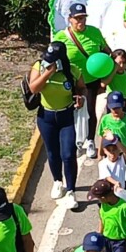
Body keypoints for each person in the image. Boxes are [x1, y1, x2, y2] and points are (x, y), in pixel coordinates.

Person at [28, 42, 84, 203]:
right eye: (48, 58)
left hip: (66, 117)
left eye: (53, 60)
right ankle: (57, 181)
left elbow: (82, 87)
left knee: (68, 154)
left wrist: (80, 97)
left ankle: (71, 190)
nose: (49, 62)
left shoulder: (72, 70)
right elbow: (33, 88)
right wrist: (47, 73)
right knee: (52, 152)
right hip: (46, 117)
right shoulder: (39, 67)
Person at [54, 2, 112, 159]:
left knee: (90, 110)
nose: (80, 21)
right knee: (71, 112)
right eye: (77, 18)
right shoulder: (61, 37)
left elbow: (107, 52)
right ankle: (74, 142)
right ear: (70, 19)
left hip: (91, 80)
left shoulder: (95, 32)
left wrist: (106, 74)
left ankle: (90, 140)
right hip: (71, 82)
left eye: (83, 18)